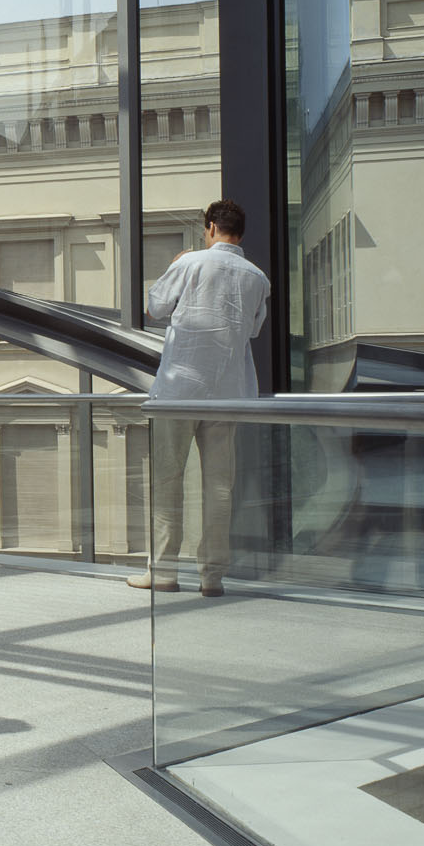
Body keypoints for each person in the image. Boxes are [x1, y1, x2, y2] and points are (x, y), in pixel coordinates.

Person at [132, 198, 269, 597]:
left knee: (167, 481)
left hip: (179, 391)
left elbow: (155, 307)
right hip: (228, 392)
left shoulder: (190, 263)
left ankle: (163, 573)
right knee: (220, 487)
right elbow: (255, 330)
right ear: (239, 232)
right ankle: (212, 576)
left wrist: (177, 261)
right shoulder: (257, 277)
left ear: (210, 227)